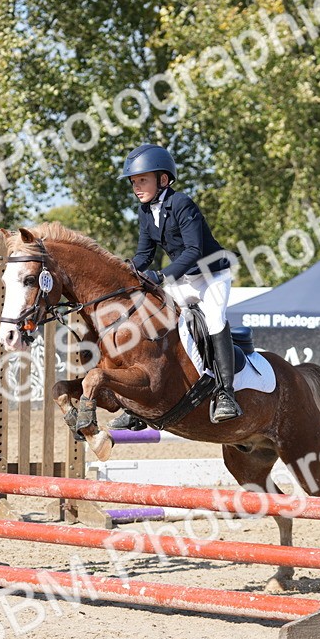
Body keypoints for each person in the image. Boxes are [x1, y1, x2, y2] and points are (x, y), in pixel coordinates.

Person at [109, 142, 242, 427]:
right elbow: (144, 255)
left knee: (215, 321)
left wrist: (162, 276)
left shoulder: (182, 203)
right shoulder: (145, 212)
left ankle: (226, 393)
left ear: (163, 180)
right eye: (133, 182)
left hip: (212, 276)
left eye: (142, 180)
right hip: (182, 278)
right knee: (154, 322)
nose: (136, 187)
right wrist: (123, 270)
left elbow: (194, 251)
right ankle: (141, 404)